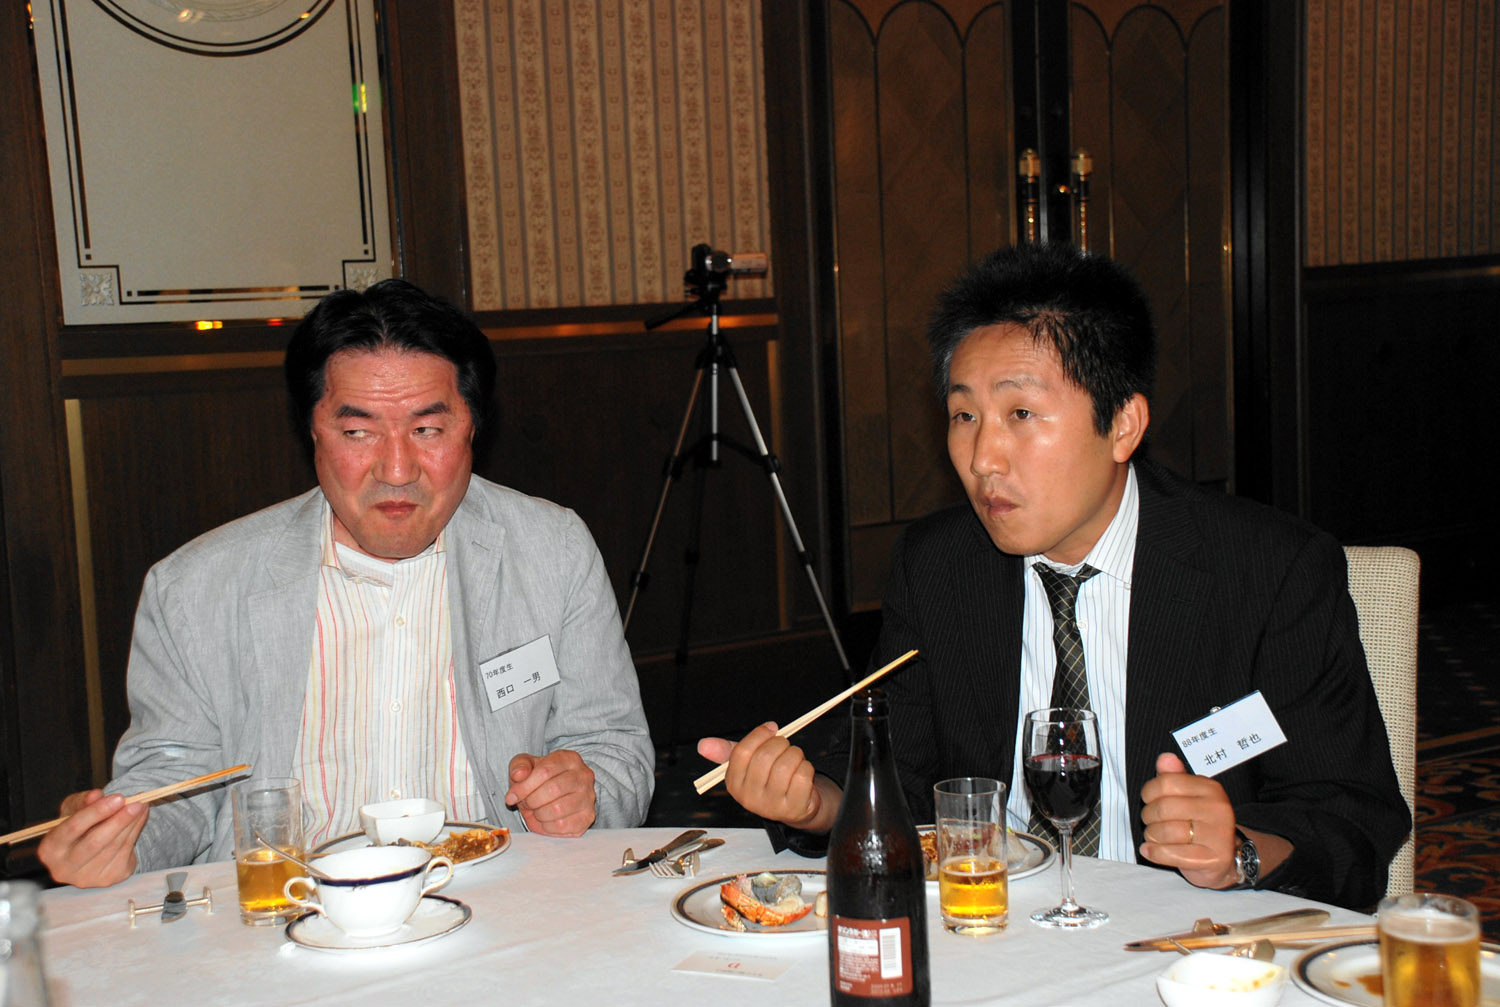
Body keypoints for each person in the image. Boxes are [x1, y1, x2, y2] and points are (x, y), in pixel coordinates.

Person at [699, 242, 1408, 909]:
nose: (982, 457)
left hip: (1193, 939)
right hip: (998, 925)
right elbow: (904, 780)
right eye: (964, 414)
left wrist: (1241, 852)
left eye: (1020, 412)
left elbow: (1354, 816)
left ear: (1123, 425)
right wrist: (817, 804)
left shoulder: (1267, 570)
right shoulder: (939, 566)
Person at [40, 279, 654, 887]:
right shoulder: (195, 587)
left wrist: (586, 792)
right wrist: (121, 841)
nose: (396, 470)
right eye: (358, 432)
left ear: (473, 428)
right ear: (312, 430)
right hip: (286, 908)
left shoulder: (551, 551)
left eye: (427, 430)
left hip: (499, 898)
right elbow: (172, 781)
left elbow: (614, 748)